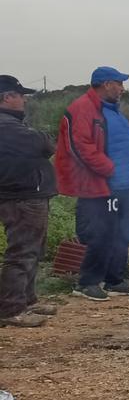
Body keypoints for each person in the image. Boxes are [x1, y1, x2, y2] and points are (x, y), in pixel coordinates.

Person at [56, 67, 129, 301]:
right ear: (107, 84)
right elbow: (80, 147)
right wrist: (110, 169)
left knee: (119, 232)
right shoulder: (83, 108)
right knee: (100, 233)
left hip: (120, 186)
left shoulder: (111, 111)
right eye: (119, 83)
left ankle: (114, 279)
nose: (122, 89)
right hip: (98, 186)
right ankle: (87, 282)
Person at [0, 75, 60, 327]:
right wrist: (41, 135)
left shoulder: (12, 123)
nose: (24, 99)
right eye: (19, 95)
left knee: (33, 249)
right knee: (22, 251)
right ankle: (11, 307)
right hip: (21, 196)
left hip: (27, 194)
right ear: (6, 97)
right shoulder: (7, 126)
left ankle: (27, 299)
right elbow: (45, 144)